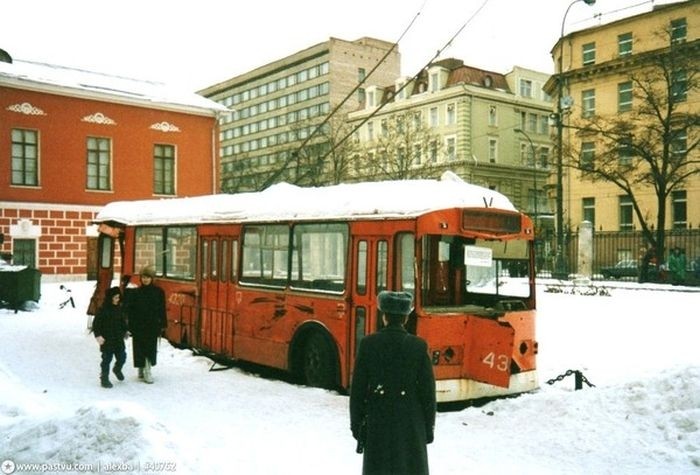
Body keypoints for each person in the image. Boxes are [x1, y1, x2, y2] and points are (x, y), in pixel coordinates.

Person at [349, 291, 436, 475]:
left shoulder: (368, 344)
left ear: (384, 317)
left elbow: (357, 391)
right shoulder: (418, 346)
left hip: (378, 419)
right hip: (411, 424)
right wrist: (427, 430)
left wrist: (357, 427)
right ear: (405, 318)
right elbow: (428, 393)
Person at [125, 266, 166, 384]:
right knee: (139, 347)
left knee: (150, 348)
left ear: (152, 278)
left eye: (148, 277)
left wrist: (163, 323)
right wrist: (130, 325)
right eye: (143, 277)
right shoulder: (136, 292)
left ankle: (147, 370)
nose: (145, 280)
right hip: (138, 324)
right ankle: (141, 367)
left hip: (152, 324)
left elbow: (162, 309)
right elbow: (131, 310)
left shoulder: (158, 292)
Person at [92, 286, 128, 388]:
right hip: (107, 339)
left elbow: (122, 322)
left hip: (118, 339)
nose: (118, 299)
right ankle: (104, 378)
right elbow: (96, 324)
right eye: (115, 297)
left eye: (118, 297)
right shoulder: (103, 310)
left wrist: (125, 330)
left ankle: (117, 369)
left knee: (122, 357)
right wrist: (98, 336)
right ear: (110, 298)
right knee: (106, 359)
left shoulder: (119, 309)